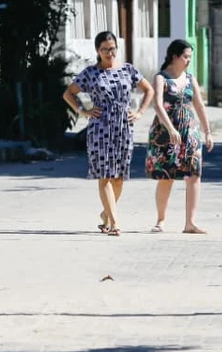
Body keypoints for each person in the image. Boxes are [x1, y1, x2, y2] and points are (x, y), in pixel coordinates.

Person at [63, 31, 155, 236]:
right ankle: (114, 222)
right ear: (98, 51)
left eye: (112, 48)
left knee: (119, 177)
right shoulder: (90, 73)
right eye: (104, 49)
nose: (109, 53)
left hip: (123, 127)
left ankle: (106, 214)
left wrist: (140, 112)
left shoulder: (128, 70)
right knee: (104, 175)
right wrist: (83, 110)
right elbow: (68, 93)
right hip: (100, 128)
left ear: (116, 48)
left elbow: (149, 90)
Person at [146, 39, 214, 234]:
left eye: (190, 57)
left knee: (194, 175)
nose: (188, 60)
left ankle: (190, 223)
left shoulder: (190, 78)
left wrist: (207, 132)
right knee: (166, 176)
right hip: (165, 133)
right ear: (174, 57)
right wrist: (170, 128)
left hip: (189, 131)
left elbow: (199, 105)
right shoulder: (161, 78)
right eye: (185, 57)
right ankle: (160, 220)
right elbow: (158, 105)